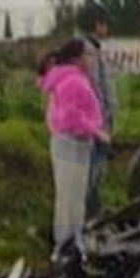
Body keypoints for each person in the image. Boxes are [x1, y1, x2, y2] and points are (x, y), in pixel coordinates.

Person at [37, 38, 111, 259]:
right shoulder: (73, 81)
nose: (91, 60)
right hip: (73, 142)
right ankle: (66, 246)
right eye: (88, 55)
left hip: (71, 142)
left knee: (72, 196)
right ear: (77, 59)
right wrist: (97, 131)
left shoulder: (69, 77)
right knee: (71, 196)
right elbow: (70, 118)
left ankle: (70, 243)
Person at [76, 5, 116, 219]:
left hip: (97, 121)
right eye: (105, 24)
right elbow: (94, 87)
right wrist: (100, 124)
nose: (107, 28)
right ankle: (87, 216)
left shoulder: (91, 47)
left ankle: (93, 210)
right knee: (91, 171)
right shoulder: (87, 49)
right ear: (97, 24)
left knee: (96, 171)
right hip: (94, 123)